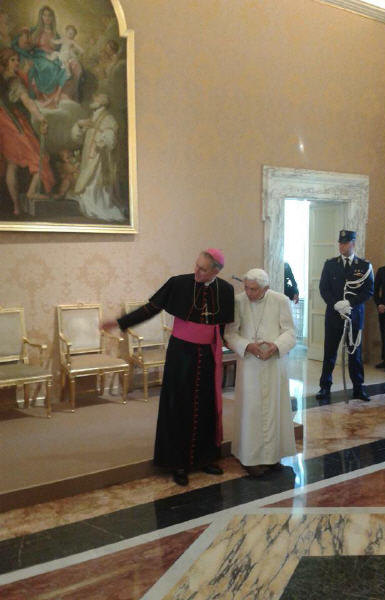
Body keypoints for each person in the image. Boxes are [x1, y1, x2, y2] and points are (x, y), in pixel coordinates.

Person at [102, 249, 235, 486]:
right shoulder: (178, 283)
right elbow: (150, 308)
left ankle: (205, 458)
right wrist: (120, 322)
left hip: (208, 354)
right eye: (196, 265)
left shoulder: (226, 289)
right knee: (179, 406)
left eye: (203, 269)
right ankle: (178, 463)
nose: (196, 271)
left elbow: (224, 325)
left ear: (216, 271)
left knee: (206, 405)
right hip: (181, 354)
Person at [224, 269, 296, 477]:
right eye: (246, 288)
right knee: (251, 410)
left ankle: (273, 457)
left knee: (274, 409)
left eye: (254, 289)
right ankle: (249, 458)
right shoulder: (239, 301)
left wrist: (276, 346)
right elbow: (230, 333)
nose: (249, 293)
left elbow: (290, 331)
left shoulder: (280, 300)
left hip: (274, 364)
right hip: (250, 364)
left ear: (266, 288)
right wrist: (247, 346)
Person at [316, 230, 374, 402]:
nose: (341, 246)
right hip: (334, 315)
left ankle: (358, 387)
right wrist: (335, 304)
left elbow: (369, 290)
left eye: (345, 243)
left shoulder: (363, 266)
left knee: (355, 353)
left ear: (353, 244)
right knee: (330, 352)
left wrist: (350, 303)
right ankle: (324, 387)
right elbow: (324, 288)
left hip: (354, 316)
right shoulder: (330, 264)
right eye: (340, 243)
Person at [0, 48, 54, 215]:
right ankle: (30, 193)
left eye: (17, 59)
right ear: (5, 62)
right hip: (12, 124)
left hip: (4, 123)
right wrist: (41, 118)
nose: (16, 62)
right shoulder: (14, 81)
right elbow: (28, 102)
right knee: (38, 157)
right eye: (13, 60)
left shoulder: (7, 79)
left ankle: (16, 207)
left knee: (12, 165)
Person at [69, 93, 124, 221]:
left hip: (100, 156)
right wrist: (79, 125)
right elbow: (77, 137)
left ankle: (96, 203)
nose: (93, 100)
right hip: (89, 155)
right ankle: (89, 201)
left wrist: (101, 141)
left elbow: (111, 136)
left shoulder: (108, 118)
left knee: (95, 181)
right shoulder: (92, 117)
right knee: (88, 178)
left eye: (96, 98)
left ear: (103, 102)